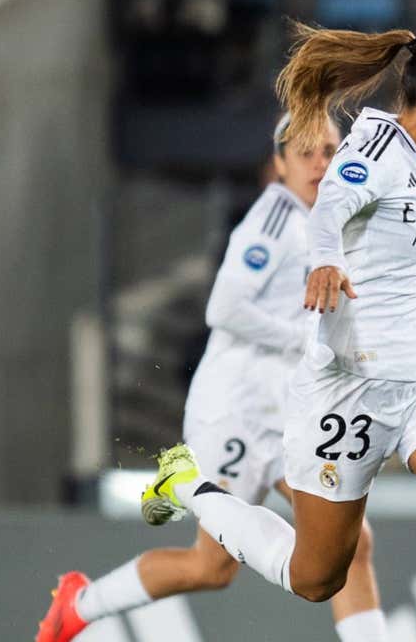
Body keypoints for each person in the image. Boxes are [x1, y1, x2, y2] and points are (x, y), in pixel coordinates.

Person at [138, 23, 416, 641]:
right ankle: (187, 484)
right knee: (315, 577)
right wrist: (326, 259)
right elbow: (330, 205)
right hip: (348, 390)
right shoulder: (371, 152)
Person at [36, 114, 395, 642]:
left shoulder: (327, 224)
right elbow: (223, 308)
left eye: (329, 151)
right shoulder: (274, 221)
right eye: (306, 153)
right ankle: (82, 602)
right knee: (212, 568)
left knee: (351, 542)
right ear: (279, 164)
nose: (320, 164)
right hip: (237, 414)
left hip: (287, 415)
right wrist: (302, 341)